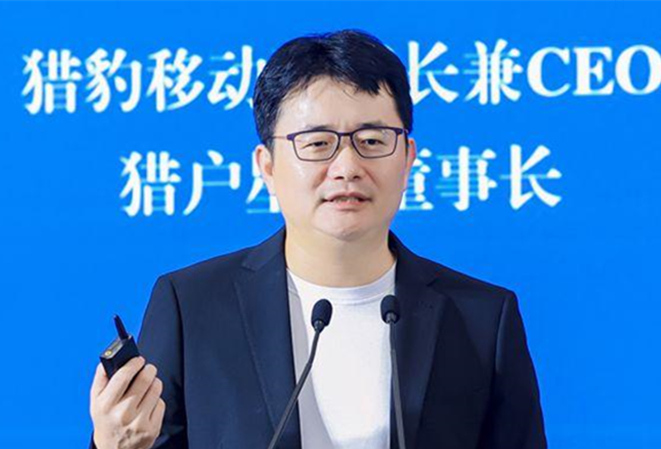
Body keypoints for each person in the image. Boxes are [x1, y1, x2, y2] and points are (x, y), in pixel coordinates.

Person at [89, 29, 547, 449]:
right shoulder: (192, 307)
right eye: (317, 143)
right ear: (267, 166)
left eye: (372, 141)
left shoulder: (482, 319)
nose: (347, 167)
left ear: (407, 158)